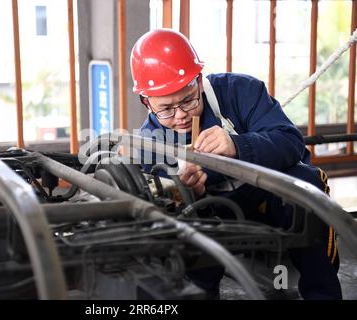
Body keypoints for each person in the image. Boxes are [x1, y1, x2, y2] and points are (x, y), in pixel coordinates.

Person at [130, 28, 341, 300]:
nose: (181, 115)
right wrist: (187, 194)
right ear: (146, 102)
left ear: (198, 79)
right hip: (215, 213)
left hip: (268, 197)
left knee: (306, 182)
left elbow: (291, 142)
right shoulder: (149, 143)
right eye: (166, 109)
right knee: (191, 245)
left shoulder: (240, 91)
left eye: (188, 100)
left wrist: (238, 146)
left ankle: (322, 294)